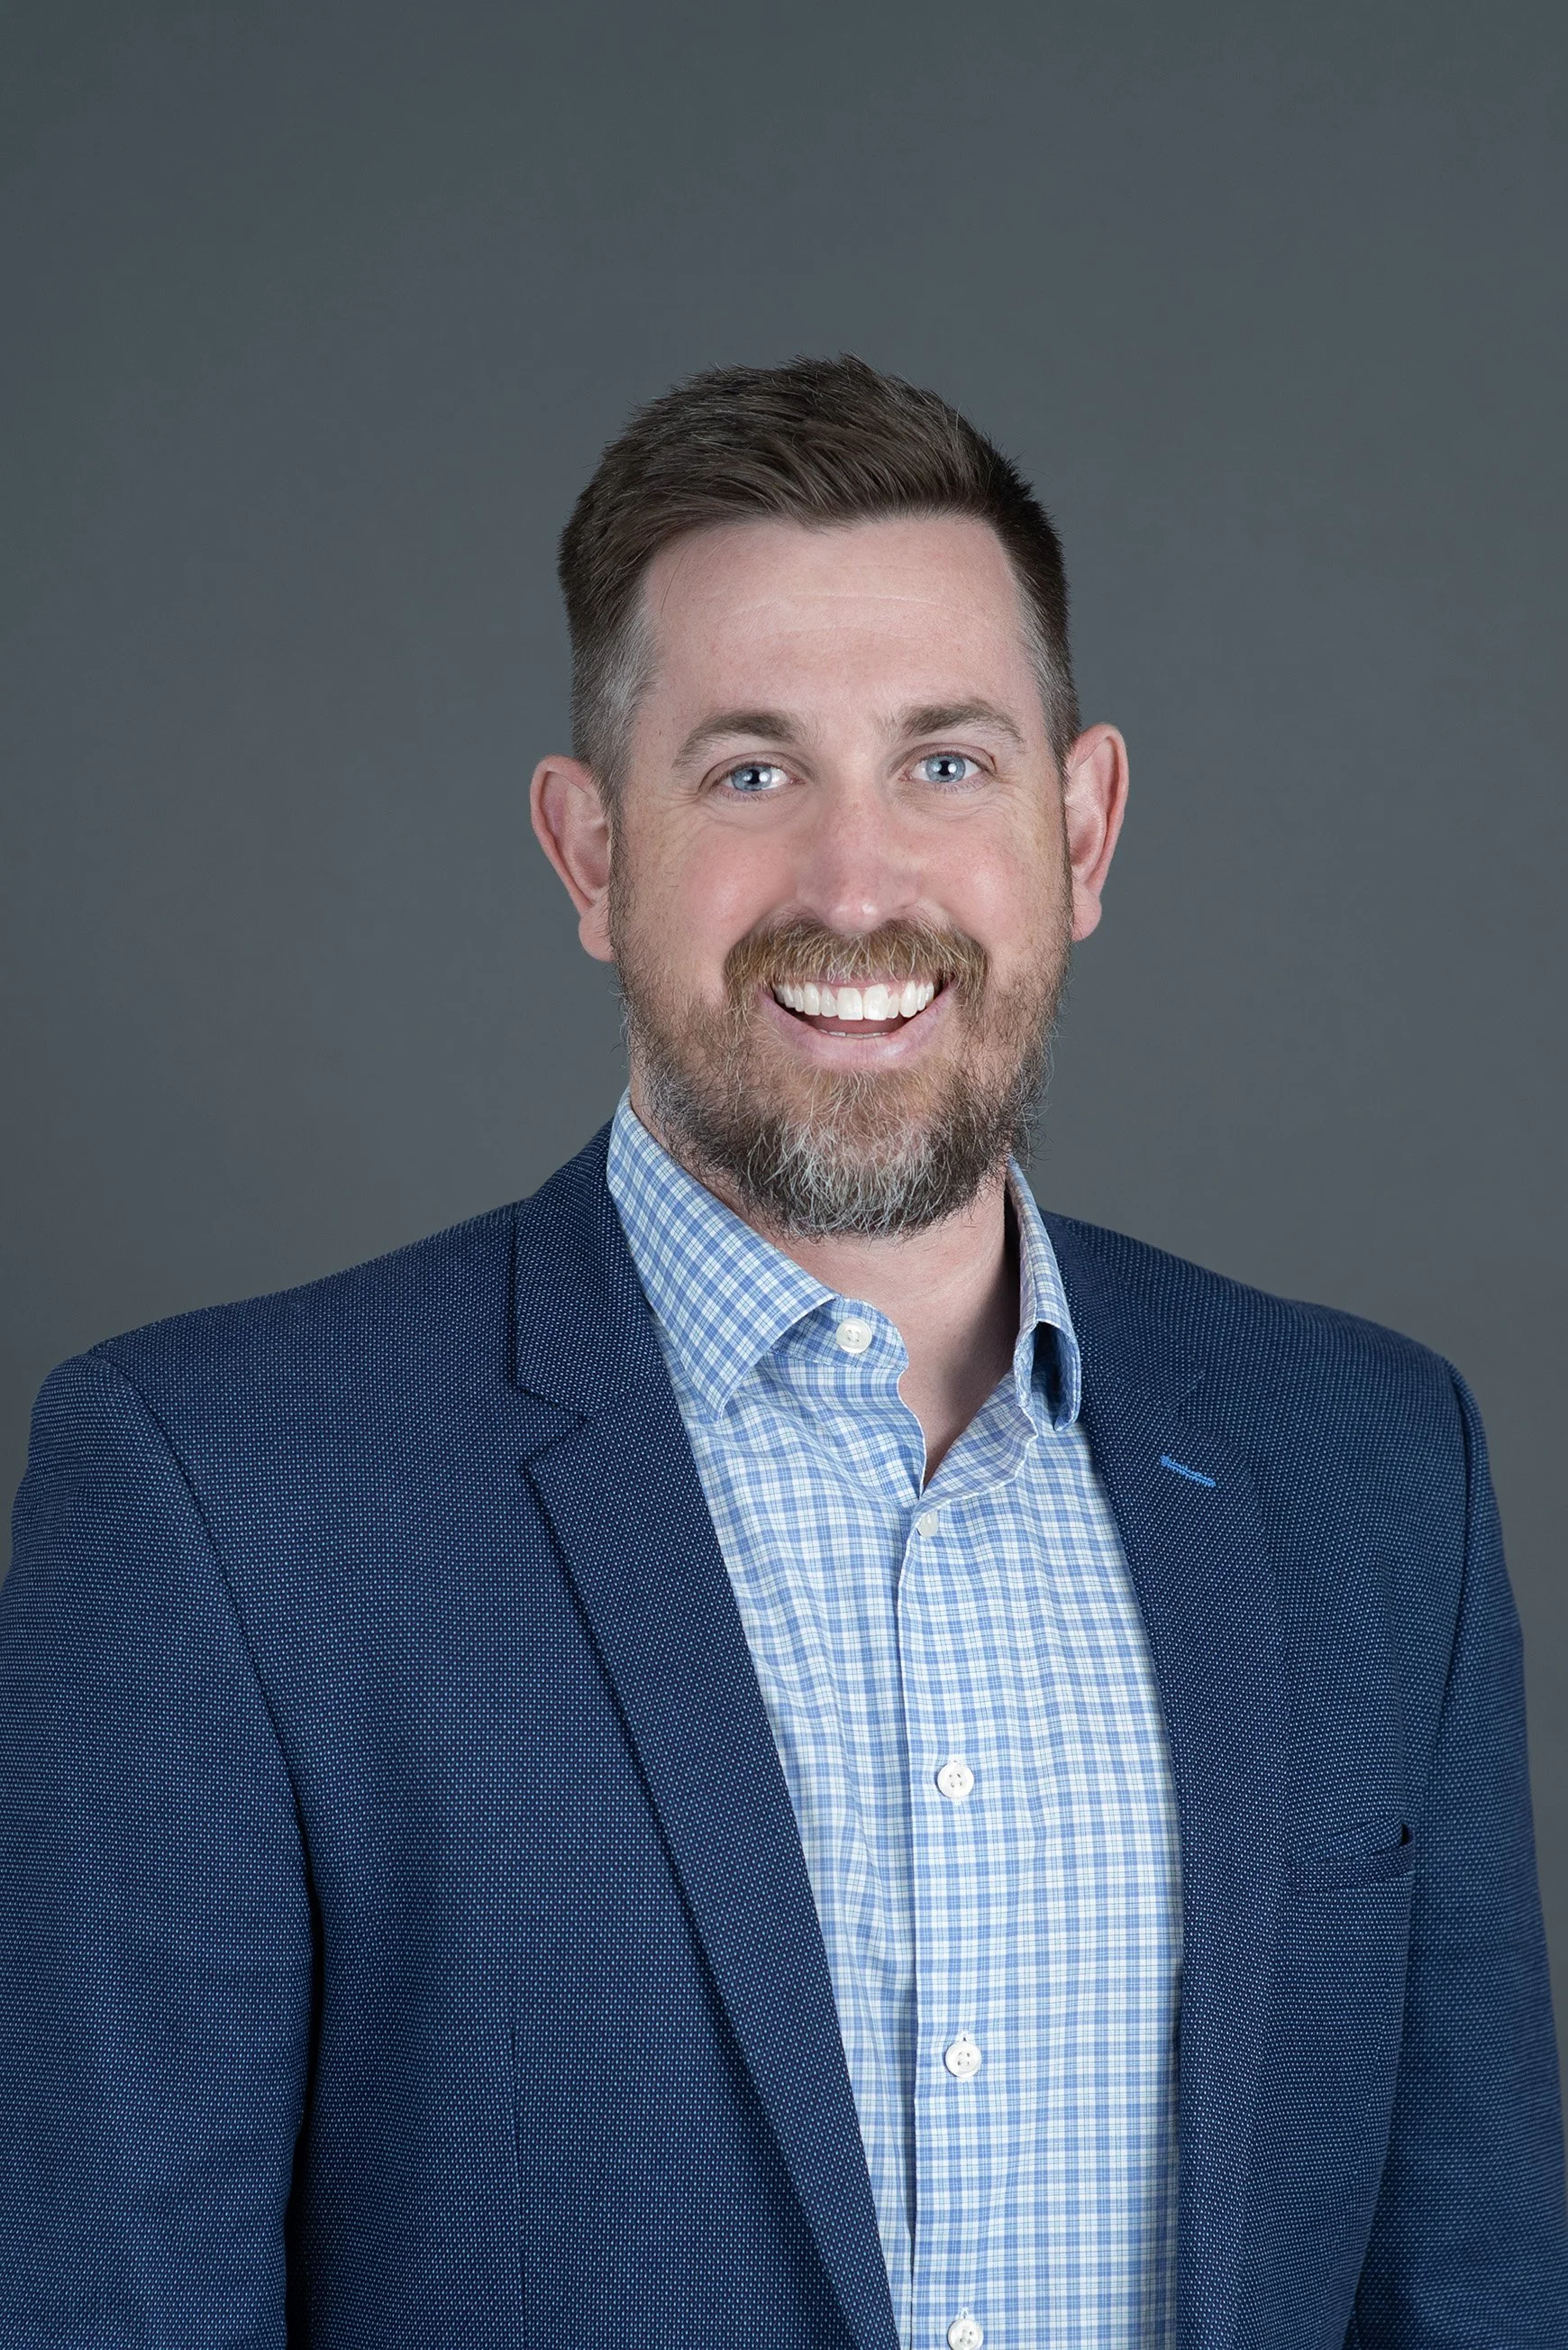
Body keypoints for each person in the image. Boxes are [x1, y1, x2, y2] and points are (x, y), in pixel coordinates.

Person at [1, 356, 1563, 2350]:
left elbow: (1478, 2288)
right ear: (591, 855)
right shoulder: (214, 1495)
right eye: (750, 770)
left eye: (946, 763)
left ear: (1082, 828)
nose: (854, 885)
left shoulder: (1375, 1467)